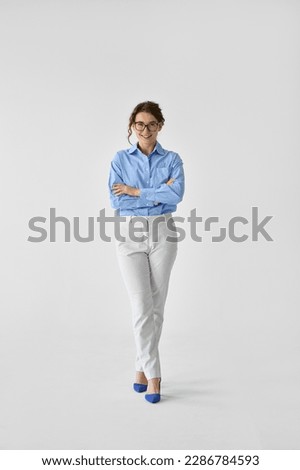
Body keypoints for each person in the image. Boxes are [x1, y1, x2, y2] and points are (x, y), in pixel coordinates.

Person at [108, 101, 185, 403]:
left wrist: (136, 191)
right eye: (139, 124)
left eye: (151, 124)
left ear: (160, 126)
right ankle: (155, 376)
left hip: (163, 232)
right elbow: (117, 202)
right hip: (129, 233)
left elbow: (176, 194)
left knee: (156, 307)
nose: (145, 130)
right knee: (141, 306)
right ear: (132, 126)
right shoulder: (119, 159)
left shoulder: (173, 159)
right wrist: (157, 193)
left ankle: (141, 369)